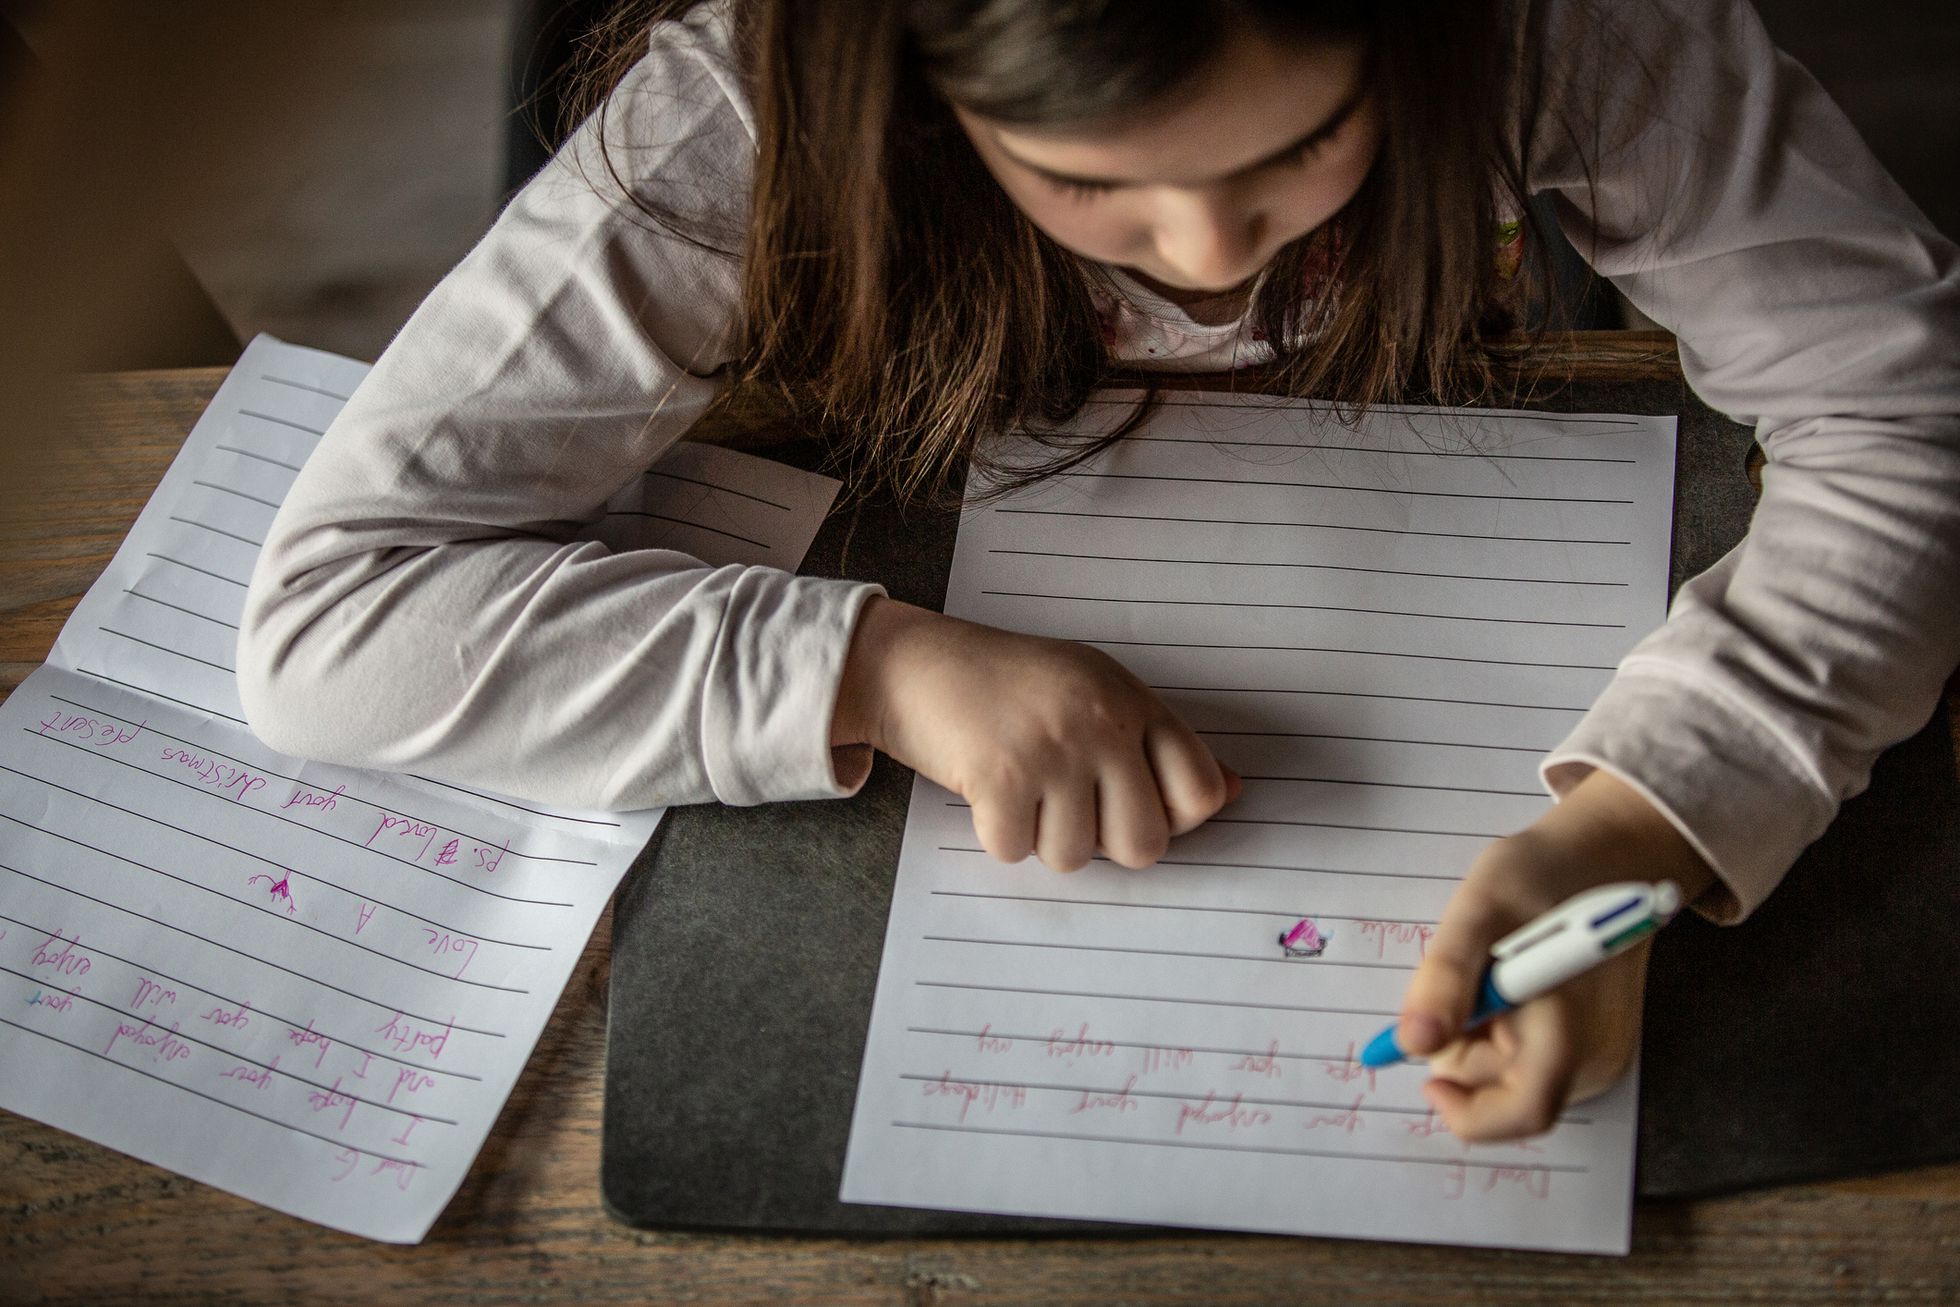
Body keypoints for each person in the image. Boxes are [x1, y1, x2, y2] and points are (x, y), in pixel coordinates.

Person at [236, 0, 1960, 1144]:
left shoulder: (1564, 29)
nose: (1214, 254)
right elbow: (334, 621)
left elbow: (1913, 423)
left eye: (1303, 141)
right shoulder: (741, 114)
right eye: (1085, 179)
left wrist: (1646, 826)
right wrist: (876, 670)